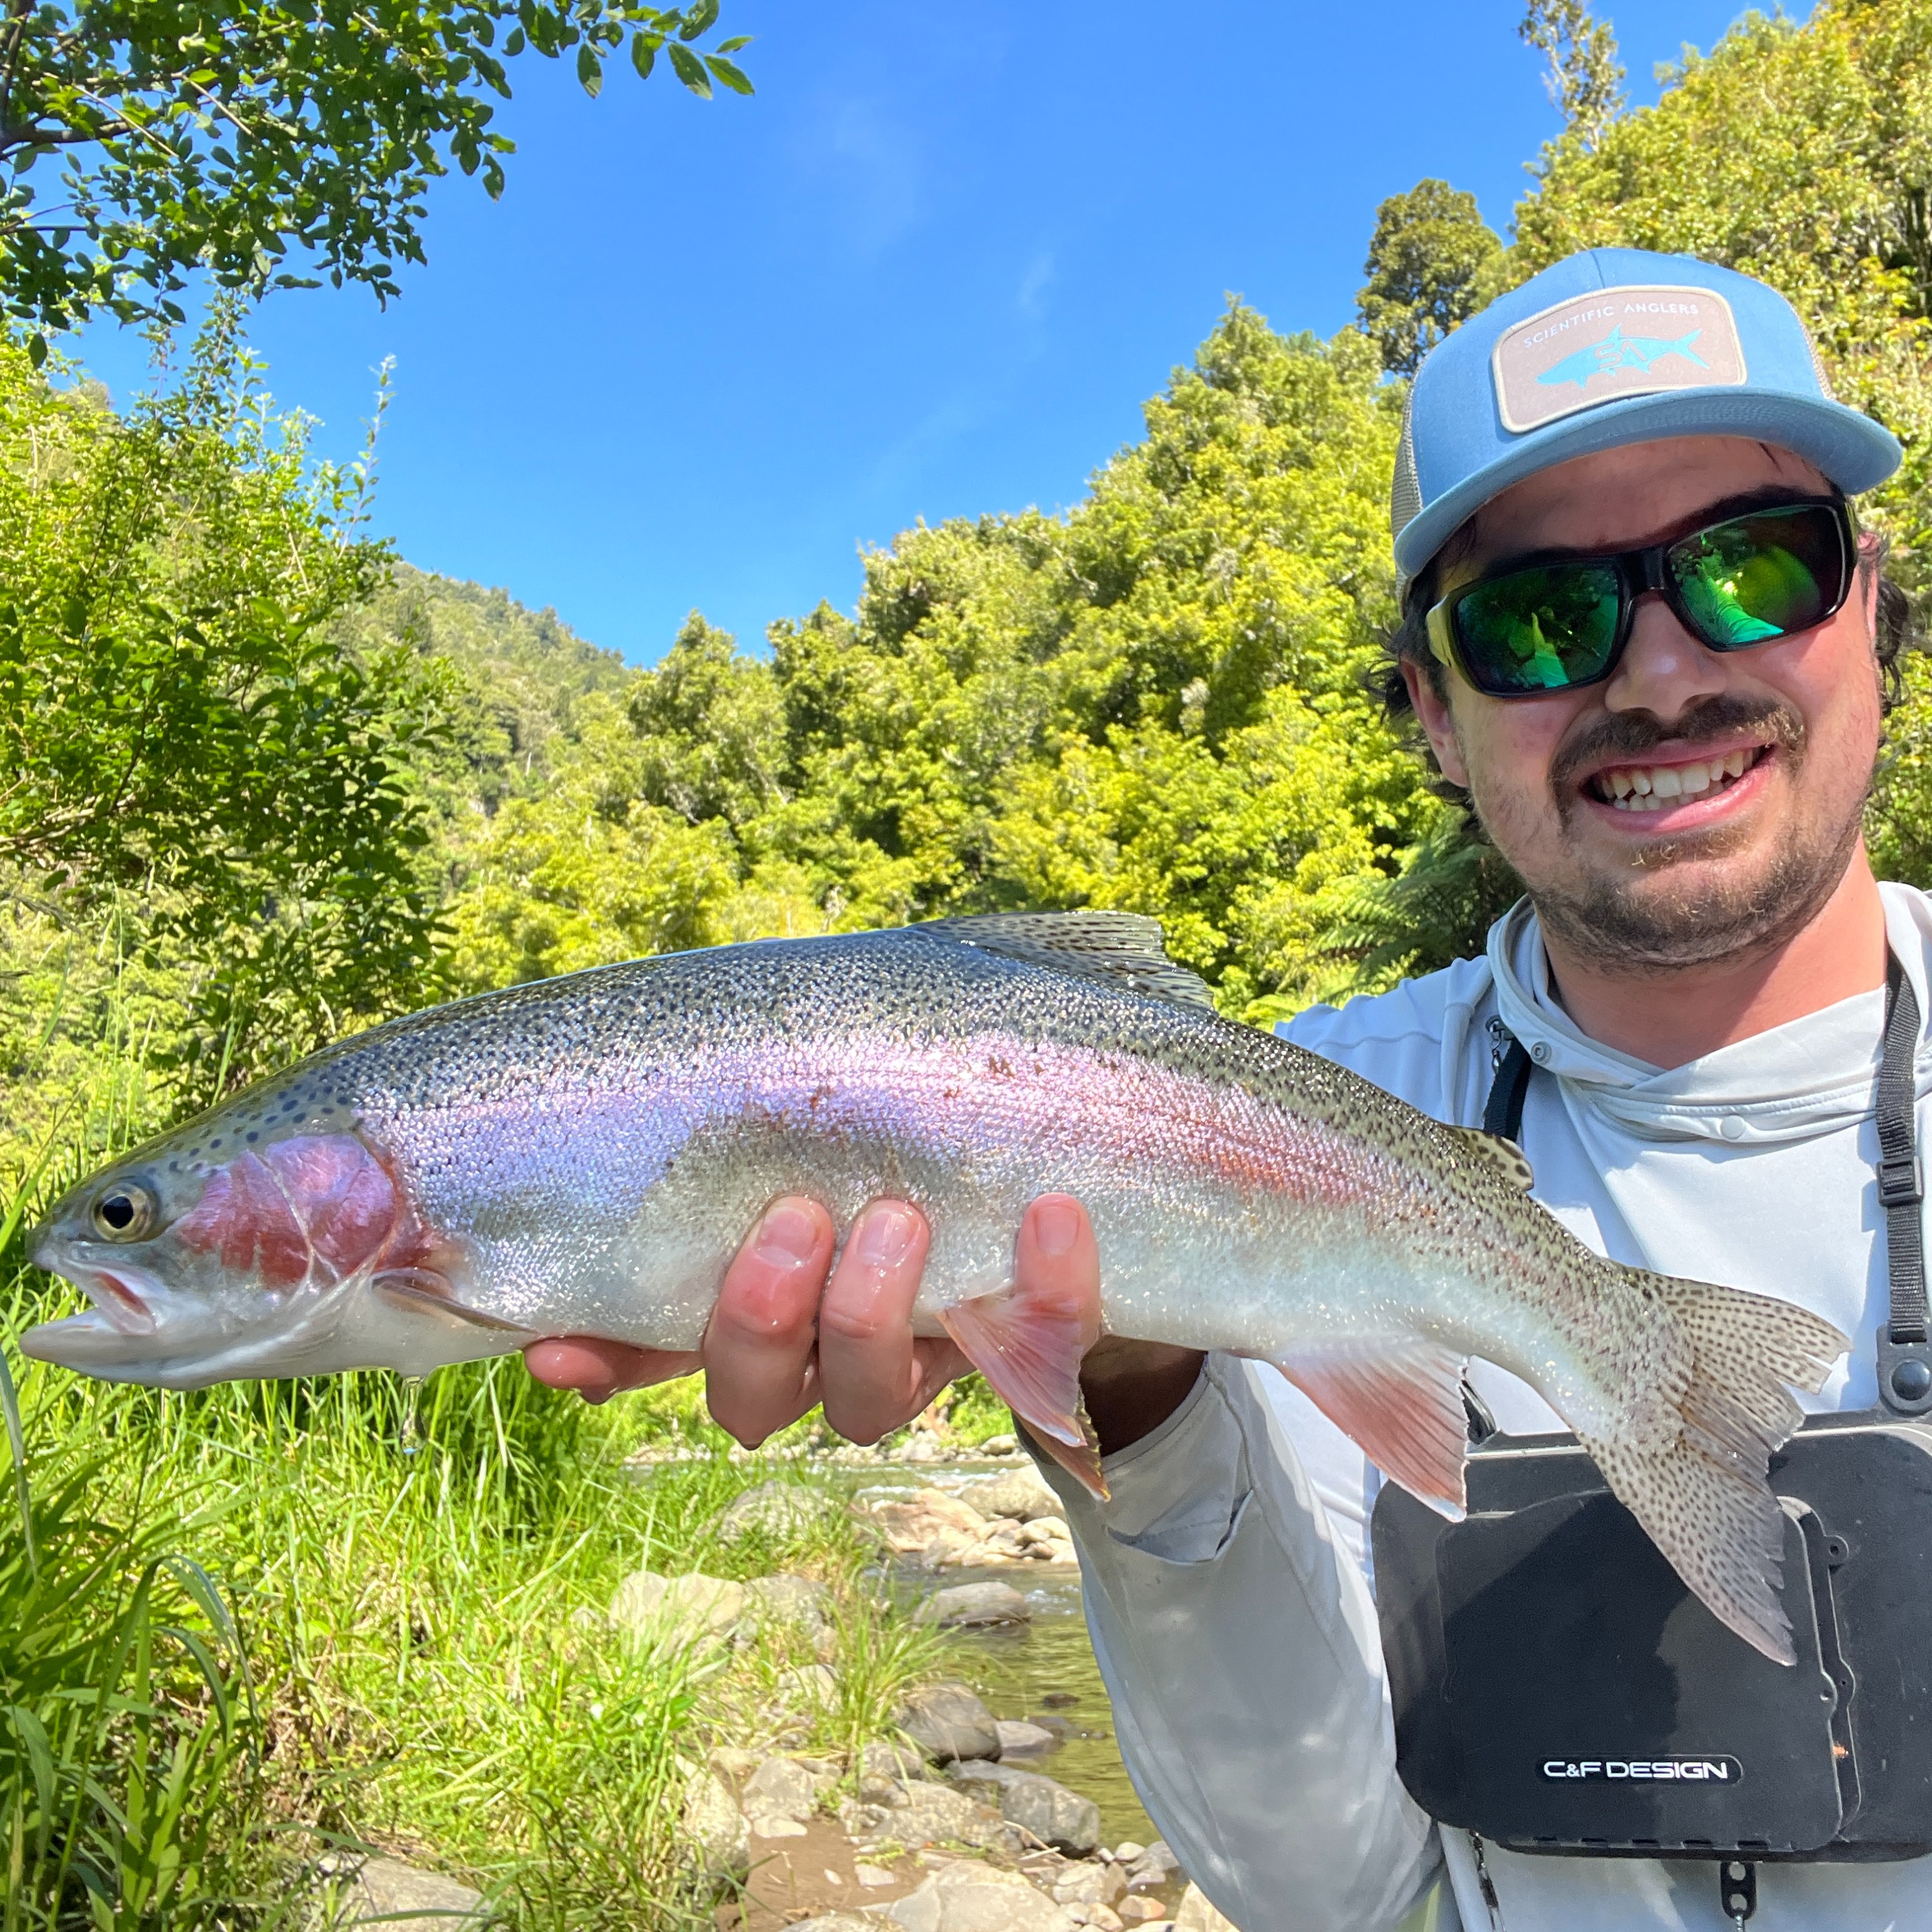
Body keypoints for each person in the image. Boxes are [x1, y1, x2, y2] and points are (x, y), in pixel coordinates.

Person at [525, 248, 1930, 1930]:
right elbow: (1328, 1888)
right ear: (1430, 708)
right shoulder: (1267, 1121)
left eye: (1752, 569)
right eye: (1539, 615)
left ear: (1879, 610)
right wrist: (1135, 1374)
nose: (1657, 671)